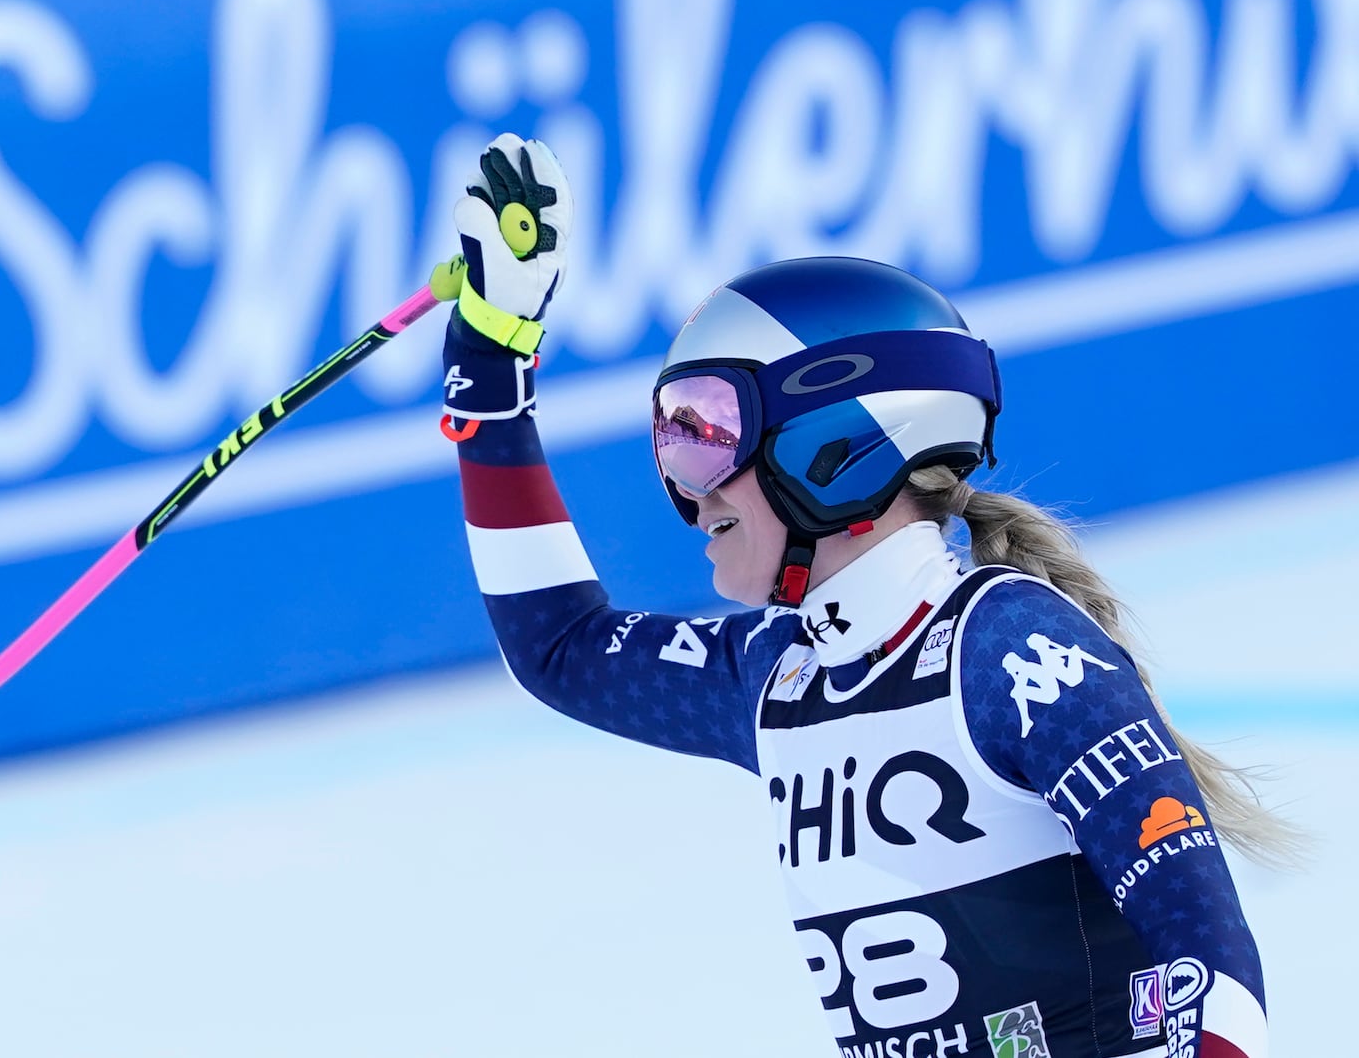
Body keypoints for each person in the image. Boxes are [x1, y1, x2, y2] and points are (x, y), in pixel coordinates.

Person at [434, 133, 1283, 1058]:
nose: (691, 490)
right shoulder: (779, 680)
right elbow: (560, 646)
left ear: (842, 443)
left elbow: (1216, 967)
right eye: (671, 444)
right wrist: (491, 374)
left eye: (710, 435)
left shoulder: (1012, 650)